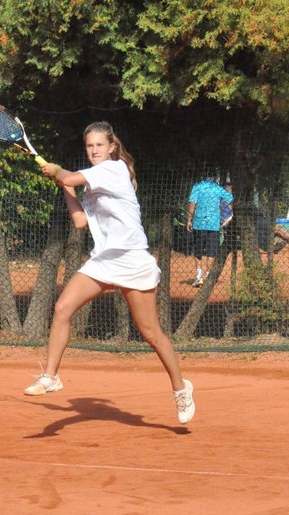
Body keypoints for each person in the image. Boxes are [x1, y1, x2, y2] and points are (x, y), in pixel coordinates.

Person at [23, 121, 195, 425]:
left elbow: (69, 175)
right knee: (63, 307)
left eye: (99, 145)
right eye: (89, 146)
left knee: (151, 334)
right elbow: (79, 221)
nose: (94, 151)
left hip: (132, 260)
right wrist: (65, 186)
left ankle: (181, 389)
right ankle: (50, 376)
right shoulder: (92, 181)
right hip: (104, 261)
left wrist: (60, 173)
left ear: (112, 147)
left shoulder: (112, 169)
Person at [186, 178, 234, 287]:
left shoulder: (197, 186)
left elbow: (192, 204)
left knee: (198, 249)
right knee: (211, 250)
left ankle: (199, 277)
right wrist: (232, 213)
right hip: (213, 224)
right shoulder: (217, 188)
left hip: (199, 223)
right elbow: (230, 199)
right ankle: (208, 276)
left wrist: (189, 219)